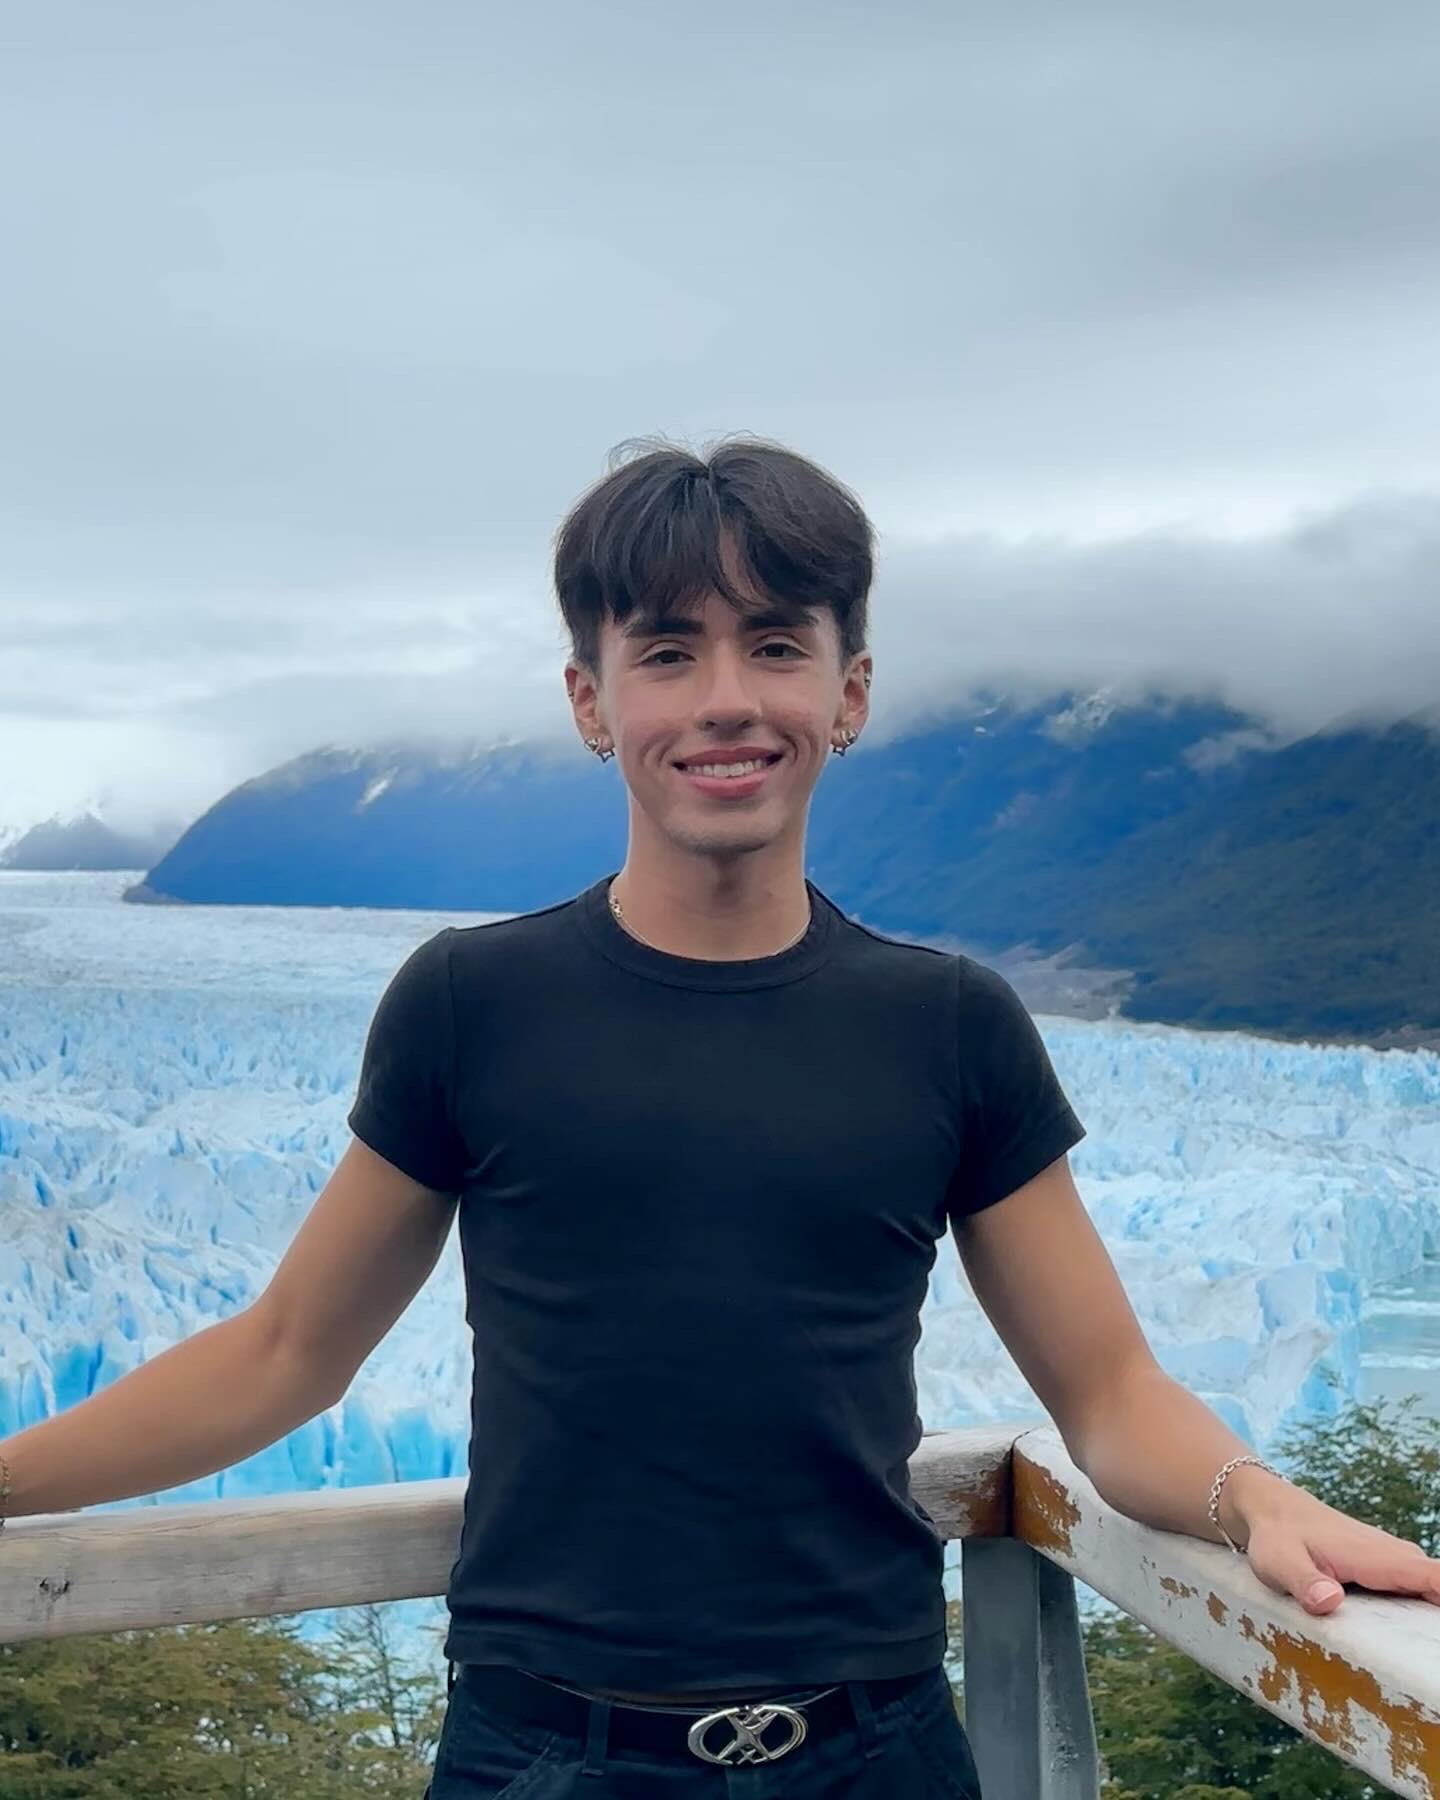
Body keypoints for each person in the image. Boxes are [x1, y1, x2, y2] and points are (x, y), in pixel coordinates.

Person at [3, 438, 1439, 1799]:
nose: (724, 701)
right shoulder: (470, 1003)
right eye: (668, 652)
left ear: (851, 689)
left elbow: (1110, 1393)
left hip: (874, 1744)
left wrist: (1253, 1500)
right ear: (591, 701)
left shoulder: (948, 1025)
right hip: (546, 1751)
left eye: (775, 645)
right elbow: (286, 1353)